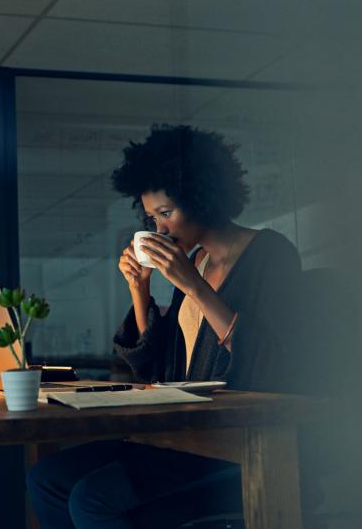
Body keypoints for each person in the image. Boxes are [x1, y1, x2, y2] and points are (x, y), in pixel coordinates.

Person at [26, 124, 303, 528]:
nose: (159, 229)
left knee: (92, 499)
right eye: (152, 217)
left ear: (202, 198)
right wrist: (139, 289)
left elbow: (270, 362)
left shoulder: (270, 254)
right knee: (46, 478)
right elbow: (153, 371)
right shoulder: (195, 263)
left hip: (233, 441)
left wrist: (192, 284)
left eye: (166, 213)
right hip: (180, 432)